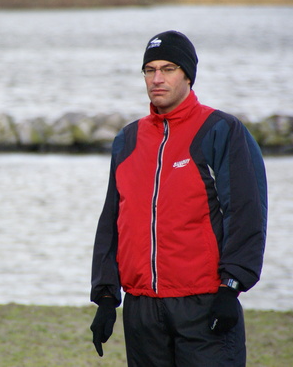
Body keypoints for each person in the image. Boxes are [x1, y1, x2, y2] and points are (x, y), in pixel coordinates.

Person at [90, 31, 267, 367]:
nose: (157, 79)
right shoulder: (127, 139)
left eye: (168, 69)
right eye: (150, 70)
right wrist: (106, 296)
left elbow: (246, 213)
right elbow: (113, 220)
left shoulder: (221, 130)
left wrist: (231, 287)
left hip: (203, 303)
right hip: (142, 309)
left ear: (188, 75)